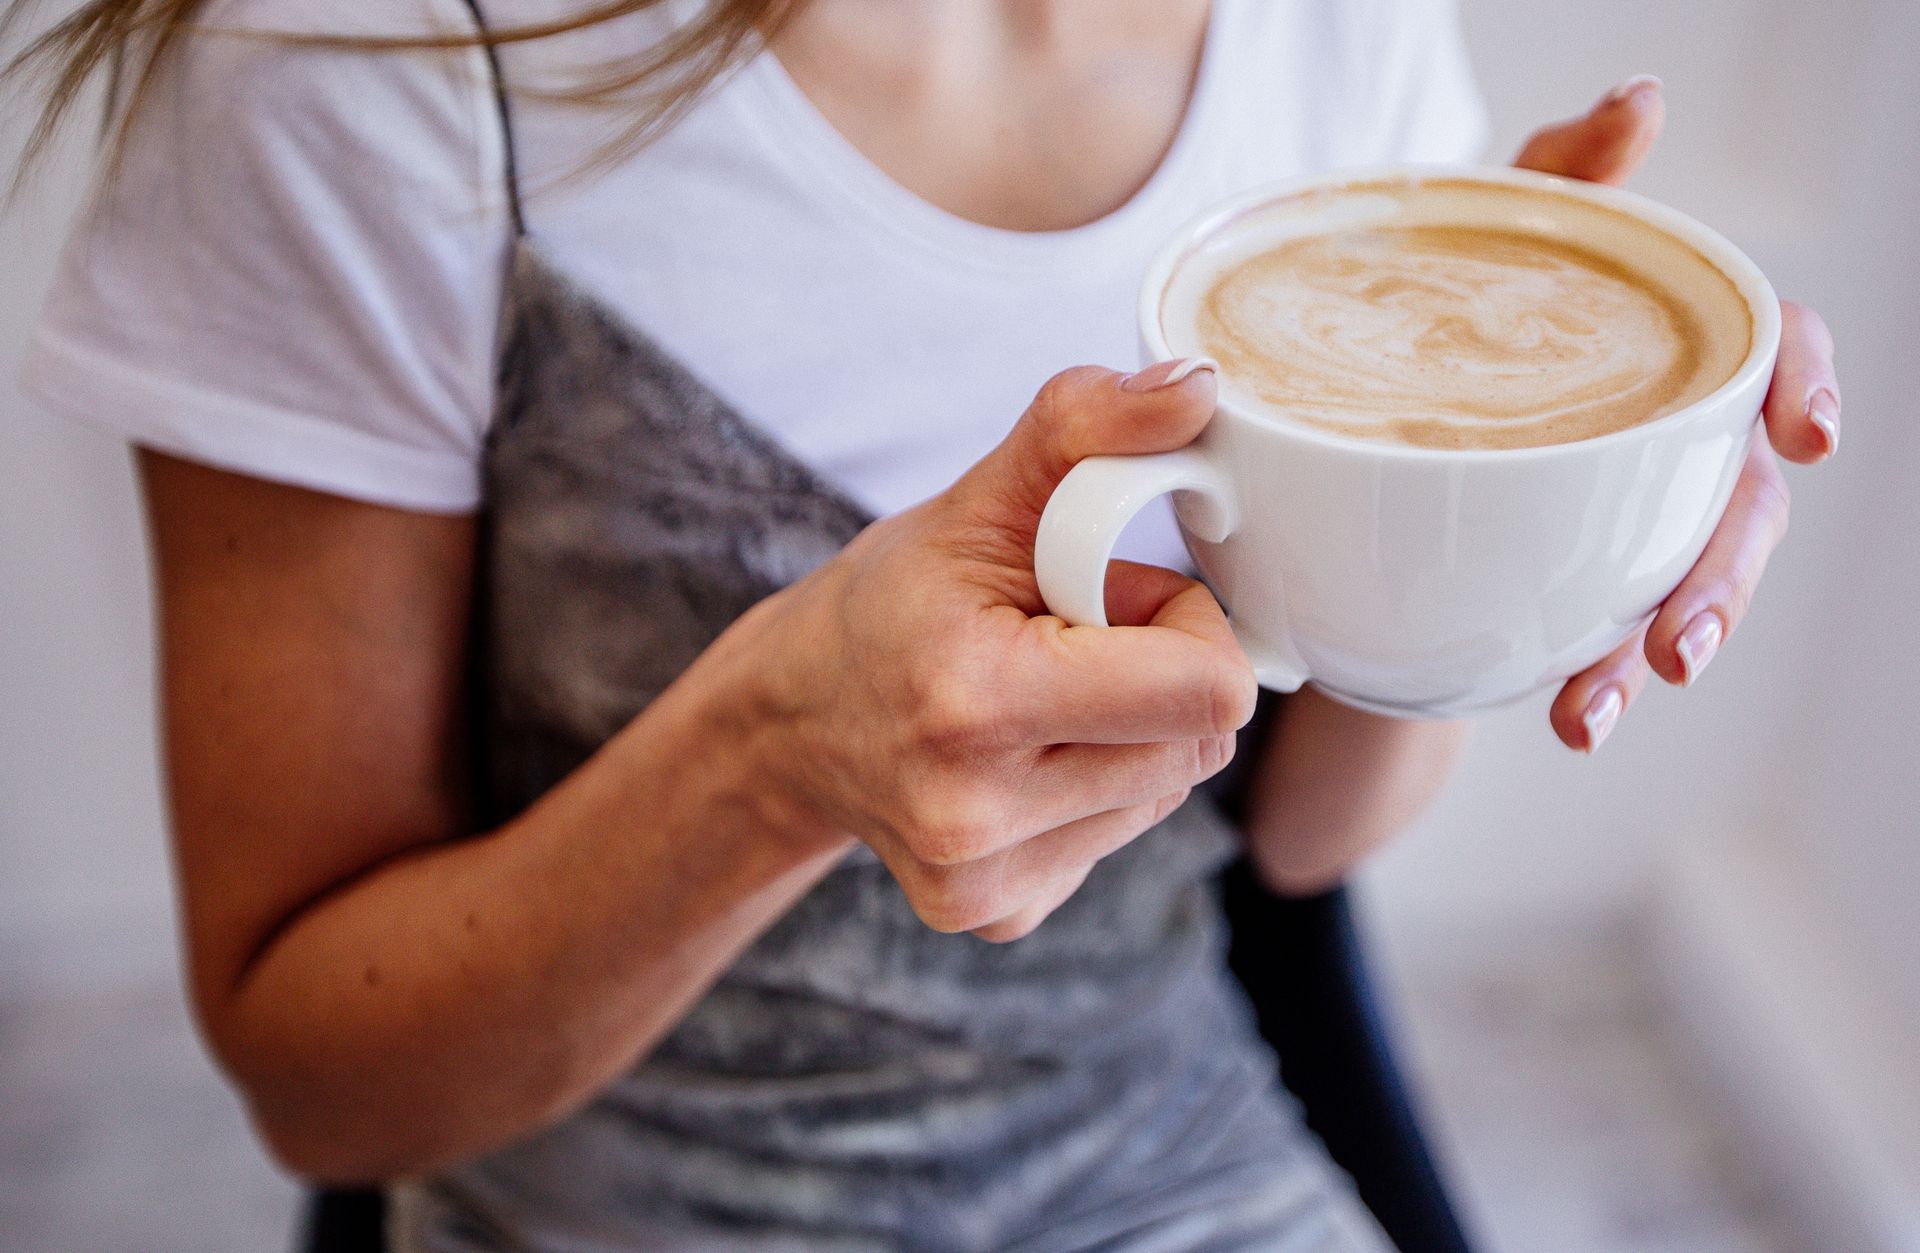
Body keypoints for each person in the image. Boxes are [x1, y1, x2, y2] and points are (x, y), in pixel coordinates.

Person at [9, 0, 1840, 1247]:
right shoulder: (361, 63)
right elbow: (321, 1082)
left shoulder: (1335, 35)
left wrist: (1506, 541)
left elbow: (1302, 839)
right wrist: (774, 754)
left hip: (1164, 1153)